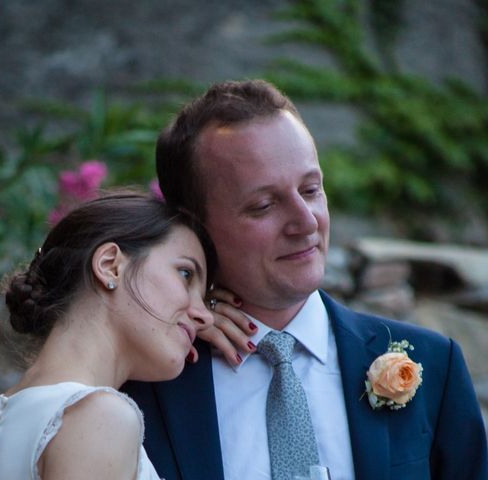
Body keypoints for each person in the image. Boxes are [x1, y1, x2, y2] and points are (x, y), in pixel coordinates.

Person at [123, 80, 488, 480]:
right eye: (263, 205)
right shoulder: (144, 381)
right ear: (193, 225)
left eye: (311, 189)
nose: (306, 220)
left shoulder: (433, 364)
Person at [0, 192, 217, 480]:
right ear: (110, 264)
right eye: (185, 274)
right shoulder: (101, 416)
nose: (205, 316)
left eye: (206, 299)